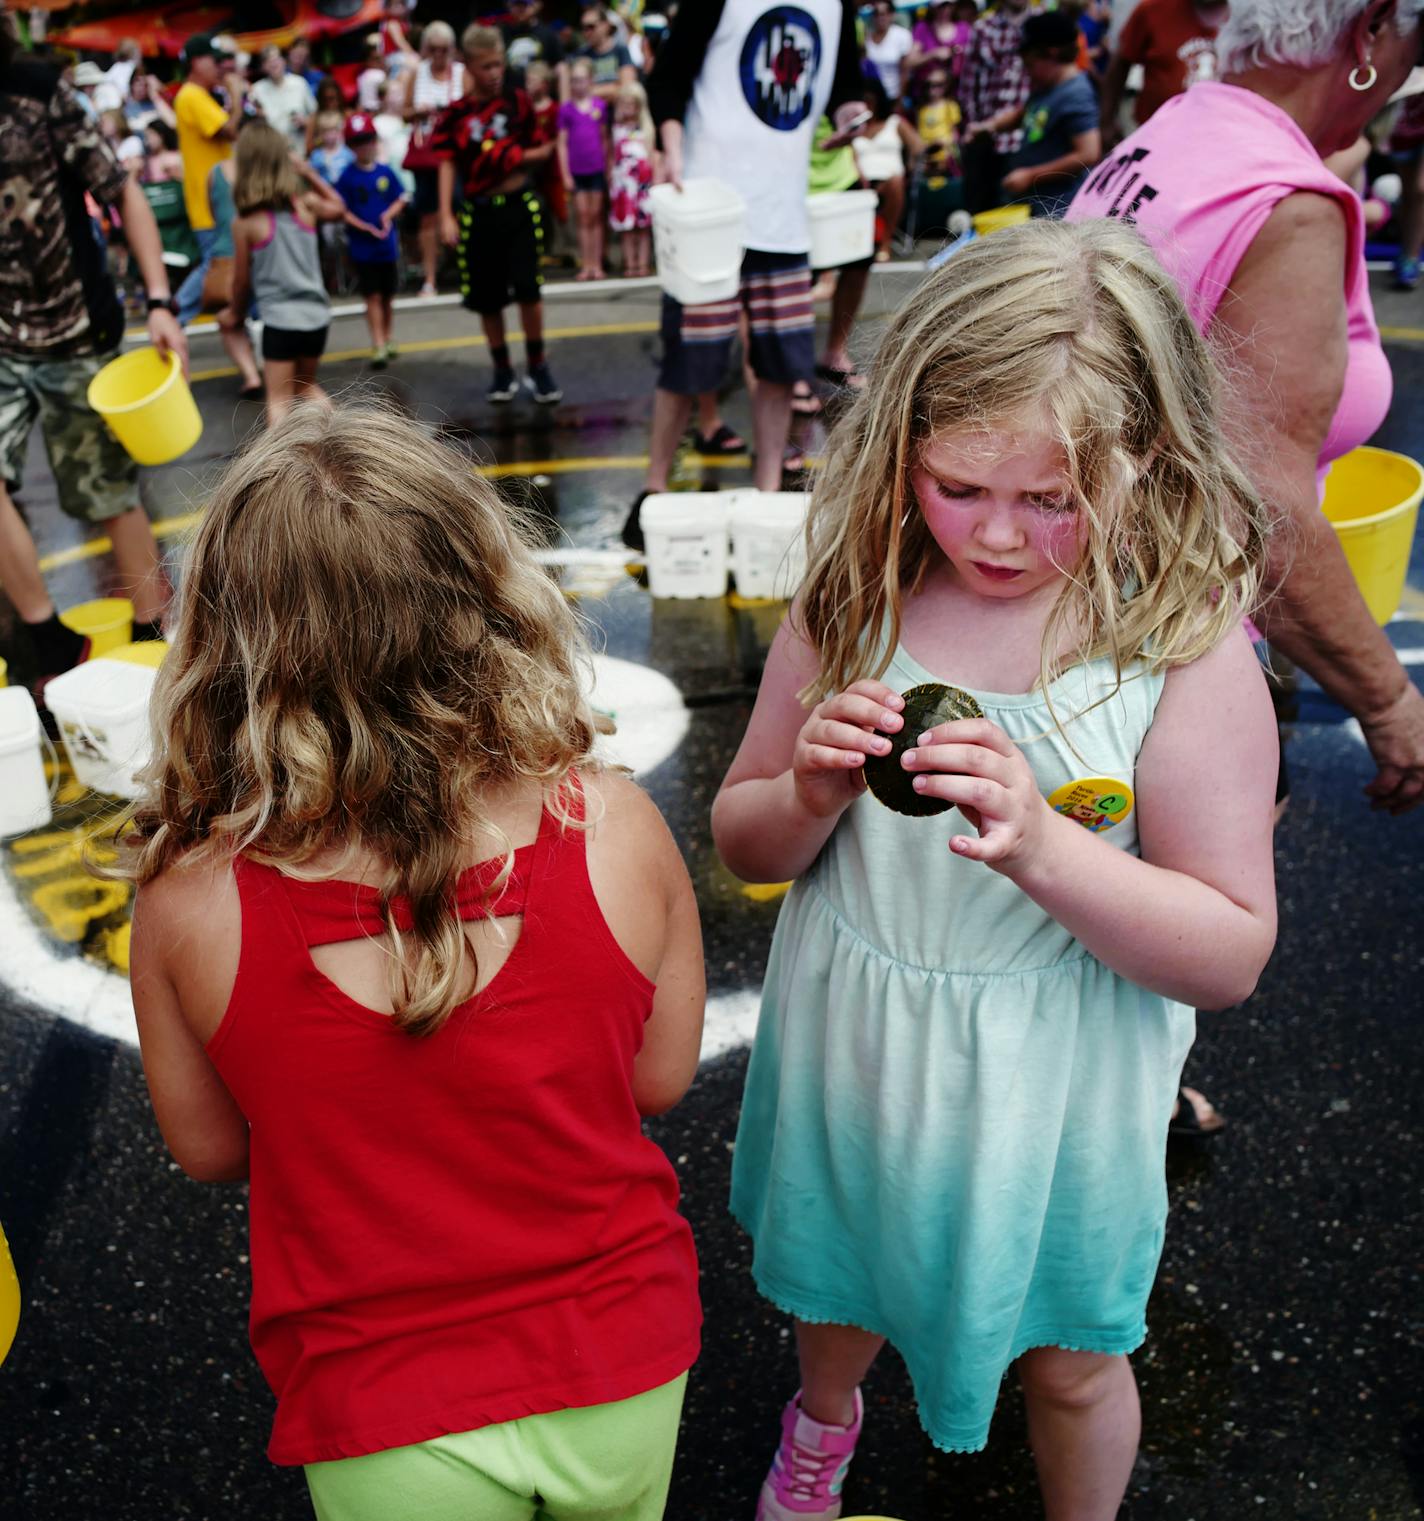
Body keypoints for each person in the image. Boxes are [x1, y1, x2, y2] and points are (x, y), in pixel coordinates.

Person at [711, 218, 1278, 1521]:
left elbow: (1228, 946)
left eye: (1052, 499)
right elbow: (744, 840)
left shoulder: (1177, 649)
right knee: (835, 1294)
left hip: (1056, 1091)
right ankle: (824, 1426)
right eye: (959, 486)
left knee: (1077, 1358)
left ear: (1147, 458)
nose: (1001, 537)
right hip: (865, 1048)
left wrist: (1044, 845)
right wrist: (804, 790)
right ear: (903, 441)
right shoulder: (859, 596)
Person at [122, 401, 704, 1521]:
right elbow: (657, 1080)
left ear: (227, 644)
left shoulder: (189, 897)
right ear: (488, 594)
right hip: (617, 1357)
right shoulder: (613, 827)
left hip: (381, 1403)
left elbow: (207, 1149)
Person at [1067, 0, 1424, 817]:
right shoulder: (1285, 201)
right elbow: (1258, 507)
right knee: (1197, 932)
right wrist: (1389, 700)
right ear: (1369, 31)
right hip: (1180, 652)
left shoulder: (1179, 123)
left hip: (1086, 623)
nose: (1409, 81)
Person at [625, 0, 866, 548]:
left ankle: (766, 495)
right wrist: (672, 150)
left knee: (782, 364)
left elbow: (845, 84)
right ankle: (652, 493)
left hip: (784, 215)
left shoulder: (835, 6)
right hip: (710, 208)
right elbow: (669, 76)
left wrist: (852, 114)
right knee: (689, 361)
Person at [0, 19, 187, 689]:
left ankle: (155, 635)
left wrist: (161, 301)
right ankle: (50, 640)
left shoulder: (38, 88)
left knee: (107, 492)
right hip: (2, 339)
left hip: (77, 333)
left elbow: (122, 190)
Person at [434, 25, 562, 405]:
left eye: (498, 65)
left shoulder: (518, 102)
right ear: (468, 66)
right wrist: (445, 214)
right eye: (486, 66)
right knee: (488, 299)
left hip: (520, 206)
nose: (495, 74)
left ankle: (538, 367)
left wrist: (517, 158)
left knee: (528, 289)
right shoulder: (457, 114)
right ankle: (502, 370)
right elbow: (446, 164)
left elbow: (543, 149)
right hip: (479, 211)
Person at [219, 123, 344, 428]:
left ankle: (280, 468)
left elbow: (241, 281)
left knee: (279, 400)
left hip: (280, 322)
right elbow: (339, 208)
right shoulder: (305, 206)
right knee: (306, 387)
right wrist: (309, 173)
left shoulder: (246, 223)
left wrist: (234, 313)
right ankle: (345, 437)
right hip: (316, 318)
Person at [978, 10, 1100, 217]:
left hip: (1058, 206)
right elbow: (1025, 114)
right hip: (1035, 202)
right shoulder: (1047, 87)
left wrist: (1030, 175)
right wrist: (989, 126)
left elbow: (1088, 153)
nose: (1027, 72)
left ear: (1052, 53)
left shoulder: (1076, 94)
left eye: (1030, 64)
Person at [173, 33, 246, 327]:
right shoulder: (191, 95)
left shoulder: (199, 96)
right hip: (211, 202)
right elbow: (230, 130)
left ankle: (242, 317)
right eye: (214, 61)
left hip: (217, 198)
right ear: (195, 63)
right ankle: (172, 313)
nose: (220, 67)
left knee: (225, 260)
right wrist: (237, 94)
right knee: (215, 263)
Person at [397, 19, 466, 297]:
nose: (438, 55)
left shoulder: (461, 73)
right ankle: (430, 278)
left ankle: (464, 268)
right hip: (427, 155)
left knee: (462, 211)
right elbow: (403, 112)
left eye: (444, 49)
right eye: (433, 49)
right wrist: (419, 112)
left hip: (456, 155)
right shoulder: (417, 73)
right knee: (427, 217)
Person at [1097, 0, 1226, 145]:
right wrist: (1106, 122)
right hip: (1158, 138)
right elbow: (1121, 64)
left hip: (1220, 139)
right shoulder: (1152, 10)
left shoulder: (1246, 14)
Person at [338, 112, 409, 366]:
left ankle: (387, 337)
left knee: (388, 295)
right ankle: (377, 342)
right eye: (358, 142)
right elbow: (341, 209)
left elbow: (401, 197)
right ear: (350, 146)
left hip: (385, 245)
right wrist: (364, 226)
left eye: (368, 140)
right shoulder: (347, 177)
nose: (364, 146)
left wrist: (387, 217)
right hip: (363, 246)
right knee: (372, 296)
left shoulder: (385, 172)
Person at [958, 0, 1032, 213]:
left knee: (1018, 209)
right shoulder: (983, 28)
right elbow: (968, 85)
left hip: (1024, 137)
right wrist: (973, 126)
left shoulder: (1038, 23)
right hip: (987, 136)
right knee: (983, 207)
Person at [852, 77, 924, 259]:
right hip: (861, 182)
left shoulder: (895, 122)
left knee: (895, 181)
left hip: (893, 180)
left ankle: (885, 242)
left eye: (870, 101)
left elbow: (918, 146)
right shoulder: (853, 128)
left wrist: (912, 163)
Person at [558, 58, 611, 280]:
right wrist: (565, 174)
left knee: (596, 216)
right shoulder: (566, 110)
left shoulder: (600, 106)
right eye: (574, 81)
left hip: (596, 168)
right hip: (577, 171)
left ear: (590, 80)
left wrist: (608, 168)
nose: (578, 85)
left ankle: (597, 264)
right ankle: (586, 263)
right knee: (583, 217)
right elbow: (562, 143)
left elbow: (605, 139)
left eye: (581, 80)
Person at [609, 82, 655, 277]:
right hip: (623, 186)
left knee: (643, 227)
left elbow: (652, 155)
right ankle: (630, 263)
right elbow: (611, 155)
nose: (628, 108)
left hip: (642, 185)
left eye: (631, 104)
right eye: (624, 103)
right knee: (626, 227)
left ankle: (643, 264)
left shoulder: (646, 128)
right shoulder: (616, 128)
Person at [250, 43, 317, 154]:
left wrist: (305, 122)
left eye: (276, 59)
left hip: (299, 150)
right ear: (262, 67)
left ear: (284, 61)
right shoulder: (256, 90)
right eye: (267, 60)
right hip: (271, 152)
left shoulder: (299, 83)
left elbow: (314, 113)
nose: (273, 64)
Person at [906, 0, 978, 90]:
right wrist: (933, 54)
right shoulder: (923, 28)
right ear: (933, 8)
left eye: (949, 6)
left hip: (956, 89)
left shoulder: (964, 28)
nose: (945, 10)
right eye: (941, 6)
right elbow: (909, 62)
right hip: (927, 90)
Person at [502, 0, 568, 94]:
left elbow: (561, 68)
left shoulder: (548, 34)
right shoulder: (503, 33)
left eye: (524, 4)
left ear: (534, 6)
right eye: (516, 4)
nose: (520, 9)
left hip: (541, 99)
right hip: (512, 99)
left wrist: (564, 104)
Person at [578, 6, 637, 101]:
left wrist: (593, 91)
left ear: (605, 25)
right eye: (583, 28)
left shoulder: (621, 50)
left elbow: (628, 88)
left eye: (591, 27)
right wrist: (615, 87)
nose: (586, 32)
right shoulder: (581, 55)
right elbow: (579, 92)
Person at [864, 0, 915, 102]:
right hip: (873, 98)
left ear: (891, 14)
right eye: (876, 14)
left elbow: (905, 70)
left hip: (894, 95)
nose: (880, 18)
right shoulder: (867, 38)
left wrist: (900, 99)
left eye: (884, 13)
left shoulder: (902, 35)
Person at [309, 110, 354, 185]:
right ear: (320, 133)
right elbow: (313, 175)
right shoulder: (316, 155)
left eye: (334, 131)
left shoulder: (347, 153)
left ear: (340, 131)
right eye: (326, 132)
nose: (330, 135)